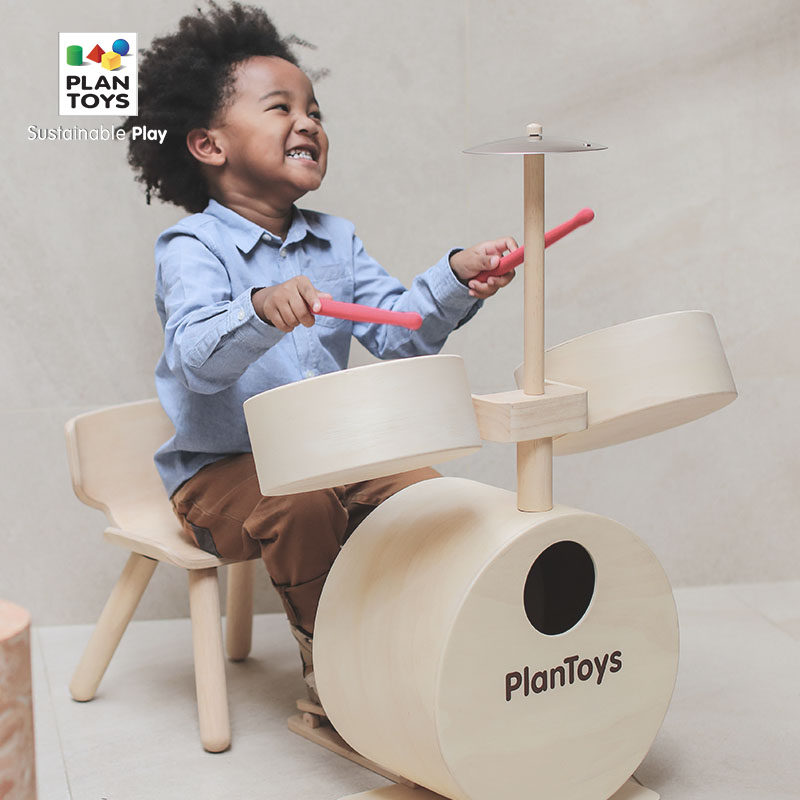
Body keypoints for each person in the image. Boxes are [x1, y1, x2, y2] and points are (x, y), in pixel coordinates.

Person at [123, 1, 516, 704]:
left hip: (327, 456)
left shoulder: (337, 240)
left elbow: (401, 334)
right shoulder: (190, 248)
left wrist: (455, 278)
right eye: (280, 108)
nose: (307, 122)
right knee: (302, 504)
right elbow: (196, 363)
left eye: (314, 111)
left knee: (427, 495)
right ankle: (333, 658)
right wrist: (256, 312)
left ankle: (425, 639)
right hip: (219, 479)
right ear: (209, 145)